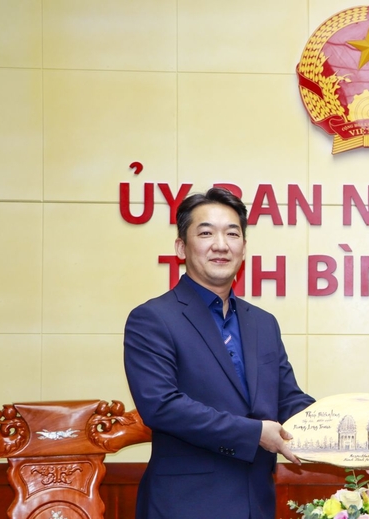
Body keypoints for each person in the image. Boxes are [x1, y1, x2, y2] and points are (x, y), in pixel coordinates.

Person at [124, 187, 314, 519]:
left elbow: (290, 402)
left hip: (257, 503)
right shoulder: (152, 319)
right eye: (206, 233)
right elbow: (162, 406)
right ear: (181, 247)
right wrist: (255, 434)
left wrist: (355, 447)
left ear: (243, 247)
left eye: (232, 233)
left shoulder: (263, 323)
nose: (221, 245)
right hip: (184, 505)